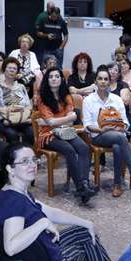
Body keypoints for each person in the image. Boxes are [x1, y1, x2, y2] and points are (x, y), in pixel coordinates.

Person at [0, 143, 112, 261]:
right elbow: (11, 247)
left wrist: (86, 222)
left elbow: (49, 211)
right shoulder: (14, 202)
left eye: (34, 159)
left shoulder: (17, 191)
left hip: (37, 259)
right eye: (24, 161)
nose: (32, 165)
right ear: (10, 168)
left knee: (85, 233)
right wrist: (41, 224)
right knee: (89, 249)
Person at [83, 69, 131, 198]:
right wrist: (101, 130)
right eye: (100, 79)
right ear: (95, 81)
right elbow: (87, 125)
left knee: (118, 145)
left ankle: (117, 184)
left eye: (106, 79)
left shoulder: (116, 99)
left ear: (109, 82)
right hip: (98, 136)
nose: (103, 81)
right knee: (120, 139)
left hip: (117, 135)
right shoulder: (88, 100)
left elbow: (125, 122)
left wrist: (119, 127)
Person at [36, 66, 96, 203]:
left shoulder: (66, 95)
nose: (54, 79)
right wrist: (62, 120)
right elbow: (52, 122)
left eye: (57, 76)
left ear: (62, 79)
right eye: (51, 77)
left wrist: (54, 121)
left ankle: (85, 183)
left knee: (84, 148)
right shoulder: (42, 98)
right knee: (69, 150)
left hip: (66, 131)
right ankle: (80, 188)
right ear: (47, 80)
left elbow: (71, 118)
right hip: (48, 135)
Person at [0, 57, 34, 145]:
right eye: (9, 68)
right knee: (12, 134)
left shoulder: (21, 87)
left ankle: (27, 154)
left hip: (21, 117)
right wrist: (1, 110)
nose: (11, 70)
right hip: (3, 119)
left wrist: (22, 108)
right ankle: (13, 157)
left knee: (31, 132)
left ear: (17, 72)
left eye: (14, 69)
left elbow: (28, 105)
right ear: (4, 70)